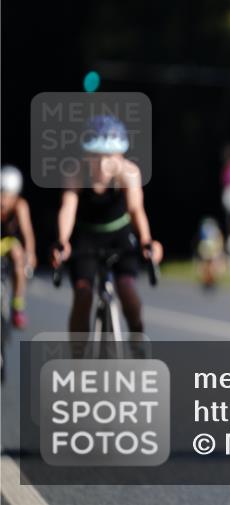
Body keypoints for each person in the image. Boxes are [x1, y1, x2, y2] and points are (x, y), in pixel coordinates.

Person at [50, 115, 163, 339]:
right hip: (87, 237)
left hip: (119, 236)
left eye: (109, 156)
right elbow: (68, 208)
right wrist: (62, 240)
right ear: (85, 155)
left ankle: (137, 335)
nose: (102, 165)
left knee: (126, 289)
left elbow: (136, 209)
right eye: (95, 156)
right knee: (83, 294)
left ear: (120, 156)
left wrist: (146, 241)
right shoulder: (76, 172)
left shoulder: (129, 173)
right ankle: (79, 359)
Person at [0, 165, 35, 328]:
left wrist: (31, 254)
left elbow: (27, 232)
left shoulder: (21, 206)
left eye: (7, 195)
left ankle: (17, 306)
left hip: (9, 244)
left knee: (17, 255)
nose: (2, 200)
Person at [195, 216, 225, 288]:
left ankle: (208, 278)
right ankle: (208, 278)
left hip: (206, 247)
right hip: (210, 247)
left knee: (207, 264)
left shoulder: (204, 229)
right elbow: (219, 239)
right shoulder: (214, 230)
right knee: (209, 265)